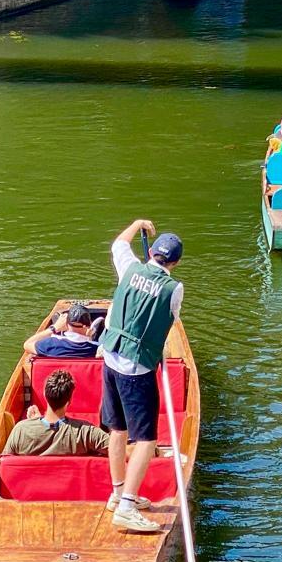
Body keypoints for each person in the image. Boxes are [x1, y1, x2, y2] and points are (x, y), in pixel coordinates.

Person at [100, 218, 185, 533]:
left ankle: (118, 492)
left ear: (152, 253)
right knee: (147, 440)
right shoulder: (174, 289)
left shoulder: (130, 268)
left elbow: (118, 244)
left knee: (118, 430)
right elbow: (170, 318)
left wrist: (137, 225)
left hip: (110, 358)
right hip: (136, 368)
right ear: (175, 262)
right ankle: (126, 506)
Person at [2, 369, 110, 457]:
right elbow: (117, 450)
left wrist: (36, 421)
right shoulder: (86, 433)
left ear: (45, 394)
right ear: (69, 401)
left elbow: (4, 463)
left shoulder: (21, 430)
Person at [24, 301, 102, 359]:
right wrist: (89, 338)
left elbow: (27, 344)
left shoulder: (51, 344)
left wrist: (54, 328)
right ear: (89, 326)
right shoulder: (97, 349)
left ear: (66, 324)